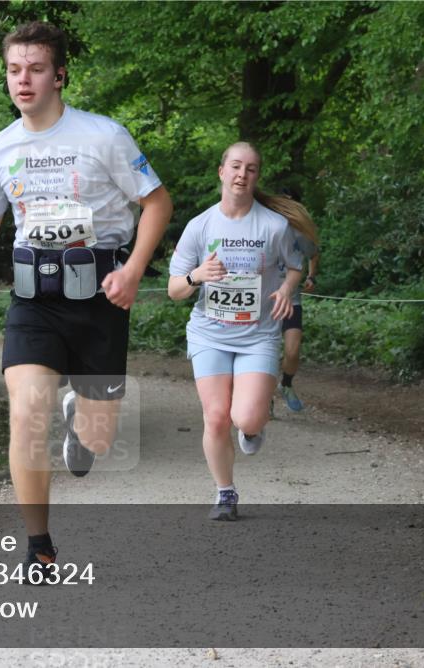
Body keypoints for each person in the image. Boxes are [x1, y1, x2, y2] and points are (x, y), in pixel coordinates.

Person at [0, 21, 172, 580]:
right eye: (13, 70)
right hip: (35, 298)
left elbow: (158, 204)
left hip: (100, 294)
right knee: (26, 412)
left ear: (60, 74)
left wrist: (135, 271)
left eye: (35, 69)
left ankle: (82, 422)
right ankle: (39, 545)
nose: (22, 80)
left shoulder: (104, 137)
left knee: (98, 437)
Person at [167, 142, 304, 521]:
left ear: (256, 177)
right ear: (222, 172)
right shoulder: (200, 226)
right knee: (215, 417)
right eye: (236, 167)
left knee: (247, 419)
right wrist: (197, 276)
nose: (243, 175)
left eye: (252, 169)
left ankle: (253, 425)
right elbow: (174, 289)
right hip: (210, 333)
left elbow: (296, 265)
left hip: (257, 335)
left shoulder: (274, 226)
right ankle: (225, 493)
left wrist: (286, 289)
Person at [276, 190, 320, 412]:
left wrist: (311, 276)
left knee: (292, 352)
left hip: (291, 300)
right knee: (266, 352)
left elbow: (313, 254)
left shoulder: (298, 234)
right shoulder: (258, 229)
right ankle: (263, 398)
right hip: (264, 303)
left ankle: (286, 384)